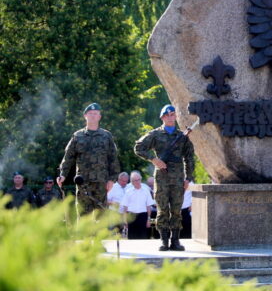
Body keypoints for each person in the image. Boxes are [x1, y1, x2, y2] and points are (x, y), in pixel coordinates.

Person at [134, 104, 195, 251]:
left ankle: (175, 240)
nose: (170, 117)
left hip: (178, 178)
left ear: (175, 116)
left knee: (176, 210)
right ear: (162, 117)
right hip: (162, 177)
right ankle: (164, 240)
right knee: (162, 209)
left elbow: (189, 158)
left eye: (172, 114)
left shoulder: (182, 137)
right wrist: (154, 160)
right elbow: (138, 147)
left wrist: (188, 178)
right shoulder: (155, 134)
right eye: (167, 115)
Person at [58, 103, 120, 217]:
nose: (93, 116)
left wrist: (112, 180)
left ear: (99, 117)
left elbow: (113, 159)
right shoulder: (77, 136)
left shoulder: (106, 136)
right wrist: (62, 174)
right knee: (82, 215)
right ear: (85, 116)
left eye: (95, 114)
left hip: (101, 182)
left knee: (101, 215)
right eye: (90, 113)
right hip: (83, 183)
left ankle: (101, 236)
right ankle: (83, 236)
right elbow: (68, 157)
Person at [121, 171, 155, 240]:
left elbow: (148, 207)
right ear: (132, 182)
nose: (137, 182)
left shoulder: (146, 190)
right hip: (131, 216)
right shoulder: (128, 191)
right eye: (135, 180)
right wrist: (125, 220)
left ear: (141, 179)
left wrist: (148, 220)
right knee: (131, 238)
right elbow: (125, 207)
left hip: (143, 216)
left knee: (143, 238)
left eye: (139, 179)